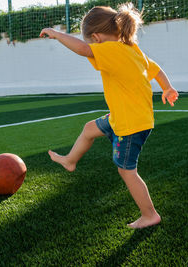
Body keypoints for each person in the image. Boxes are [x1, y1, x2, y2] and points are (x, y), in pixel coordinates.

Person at [40, 3, 178, 229]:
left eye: (90, 41)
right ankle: (70, 161)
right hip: (124, 117)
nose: (91, 46)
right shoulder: (131, 48)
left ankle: (149, 214)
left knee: (126, 170)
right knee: (89, 129)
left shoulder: (111, 49)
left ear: (96, 37)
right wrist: (167, 87)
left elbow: (83, 50)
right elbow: (155, 69)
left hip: (130, 125)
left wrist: (57, 35)